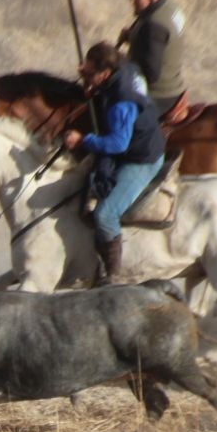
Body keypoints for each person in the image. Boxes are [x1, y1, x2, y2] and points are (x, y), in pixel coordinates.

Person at [62, 41, 166, 284]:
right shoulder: (126, 70)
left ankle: (113, 276)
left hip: (142, 158)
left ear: (105, 72)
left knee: (105, 214)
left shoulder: (121, 101)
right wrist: (90, 83)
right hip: (136, 146)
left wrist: (83, 139)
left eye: (89, 73)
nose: (85, 76)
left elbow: (118, 144)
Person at [118, 0, 188, 120]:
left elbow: (149, 74)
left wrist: (116, 64)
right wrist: (134, 37)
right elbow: (163, 40)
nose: (132, 0)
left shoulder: (153, 25)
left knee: (113, 111)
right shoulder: (171, 8)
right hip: (175, 85)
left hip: (158, 94)